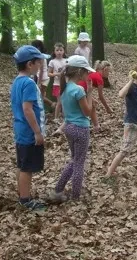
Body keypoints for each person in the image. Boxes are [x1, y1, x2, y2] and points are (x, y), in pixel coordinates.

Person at [49, 56, 95, 202]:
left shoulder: (64, 89)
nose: (88, 74)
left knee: (74, 160)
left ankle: (58, 190)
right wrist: (90, 92)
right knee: (79, 163)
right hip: (81, 129)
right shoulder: (78, 90)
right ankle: (75, 197)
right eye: (86, 71)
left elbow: (67, 113)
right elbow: (87, 112)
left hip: (69, 128)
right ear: (80, 72)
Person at [10, 45, 50, 212]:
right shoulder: (28, 83)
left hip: (21, 130)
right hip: (28, 132)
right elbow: (27, 109)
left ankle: (22, 193)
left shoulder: (17, 81)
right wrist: (37, 132)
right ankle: (25, 200)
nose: (40, 65)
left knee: (22, 164)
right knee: (27, 168)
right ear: (29, 64)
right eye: (38, 62)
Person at [76, 60, 113, 133]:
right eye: (109, 72)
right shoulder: (99, 79)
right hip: (81, 91)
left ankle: (96, 125)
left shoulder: (93, 73)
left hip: (78, 88)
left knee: (92, 105)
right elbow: (101, 96)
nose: (109, 74)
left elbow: (86, 87)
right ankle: (96, 126)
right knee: (91, 106)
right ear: (105, 69)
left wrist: (92, 99)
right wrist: (107, 108)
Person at [31, 40, 55, 109]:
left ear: (39, 48)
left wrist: (38, 83)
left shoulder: (41, 57)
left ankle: (53, 105)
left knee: (40, 96)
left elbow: (41, 71)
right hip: (41, 78)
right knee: (40, 95)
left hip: (43, 78)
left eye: (35, 47)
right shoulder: (38, 57)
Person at [48, 43, 67, 120]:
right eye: (57, 50)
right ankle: (56, 118)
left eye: (61, 50)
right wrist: (56, 74)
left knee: (65, 101)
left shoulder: (66, 61)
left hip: (66, 84)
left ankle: (65, 118)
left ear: (63, 51)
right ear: (54, 51)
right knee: (60, 102)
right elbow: (48, 74)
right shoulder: (52, 62)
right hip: (57, 84)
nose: (59, 52)